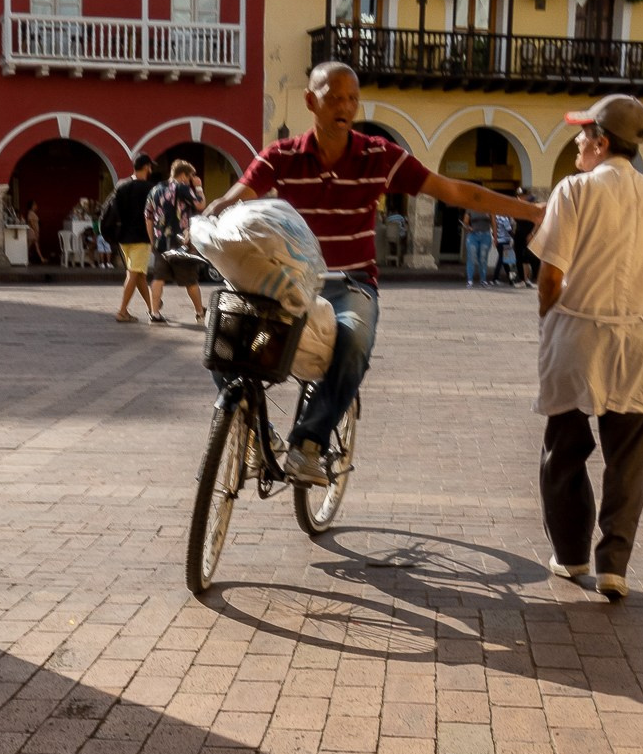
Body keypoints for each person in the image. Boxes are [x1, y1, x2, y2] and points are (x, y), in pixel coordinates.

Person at [204, 61, 543, 486]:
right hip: (288, 278)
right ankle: (257, 434)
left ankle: (308, 444)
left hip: (350, 281)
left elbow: (455, 191)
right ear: (311, 101)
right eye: (333, 98)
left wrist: (531, 211)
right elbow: (240, 193)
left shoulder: (379, 156)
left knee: (354, 341)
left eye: (351, 98)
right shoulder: (283, 155)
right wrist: (214, 212)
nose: (344, 106)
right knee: (227, 336)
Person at [532, 95, 643, 603]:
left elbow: (551, 274)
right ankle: (614, 566)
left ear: (602, 142)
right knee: (627, 459)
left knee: (564, 451)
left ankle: (572, 554)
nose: (577, 142)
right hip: (641, 338)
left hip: (579, 333)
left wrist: (548, 314)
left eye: (584, 135)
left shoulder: (574, 190)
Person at [146, 159, 207, 325]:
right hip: (181, 242)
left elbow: (148, 217)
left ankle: (155, 313)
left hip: (160, 241)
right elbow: (200, 205)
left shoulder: (155, 189)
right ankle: (200, 313)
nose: (190, 180)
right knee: (190, 280)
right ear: (183, 175)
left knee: (158, 277)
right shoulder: (181, 187)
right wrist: (199, 186)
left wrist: (152, 240)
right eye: (190, 177)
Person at [106, 154, 159, 323]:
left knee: (139, 275)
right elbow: (154, 216)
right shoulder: (151, 189)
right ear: (147, 167)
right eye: (150, 167)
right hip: (141, 238)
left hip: (124, 238)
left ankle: (153, 309)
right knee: (134, 274)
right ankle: (122, 311)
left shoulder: (122, 186)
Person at [463, 208, 495, 286]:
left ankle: (483, 280)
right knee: (471, 257)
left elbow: (494, 223)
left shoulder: (489, 208)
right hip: (473, 235)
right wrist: (468, 228)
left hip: (486, 235)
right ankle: (470, 280)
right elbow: (465, 222)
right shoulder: (470, 209)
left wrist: (495, 237)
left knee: (483, 258)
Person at [493, 213, 517, 286]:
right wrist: (516, 238)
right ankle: (495, 278)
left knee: (505, 261)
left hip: (500, 241)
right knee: (510, 261)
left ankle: (511, 280)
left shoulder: (497, 216)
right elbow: (509, 230)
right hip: (505, 241)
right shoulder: (504, 218)